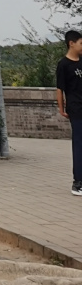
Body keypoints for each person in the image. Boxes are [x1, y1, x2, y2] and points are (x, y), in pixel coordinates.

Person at [56, 29, 82, 196]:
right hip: (76, 108)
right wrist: (61, 109)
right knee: (79, 144)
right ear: (71, 43)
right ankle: (77, 182)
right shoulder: (63, 65)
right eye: (81, 43)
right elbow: (60, 89)